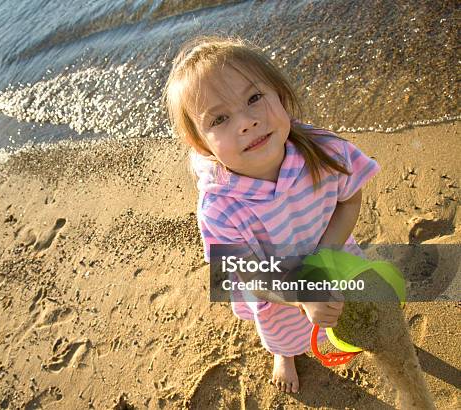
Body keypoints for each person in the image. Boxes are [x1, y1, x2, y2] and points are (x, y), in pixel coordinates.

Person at [163, 36, 380, 393]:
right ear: (202, 144)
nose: (246, 122)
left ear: (279, 94)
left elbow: (349, 200)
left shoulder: (322, 150)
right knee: (286, 334)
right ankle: (285, 355)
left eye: (254, 98)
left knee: (343, 310)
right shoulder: (220, 207)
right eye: (219, 118)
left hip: (332, 255)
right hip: (277, 293)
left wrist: (322, 259)